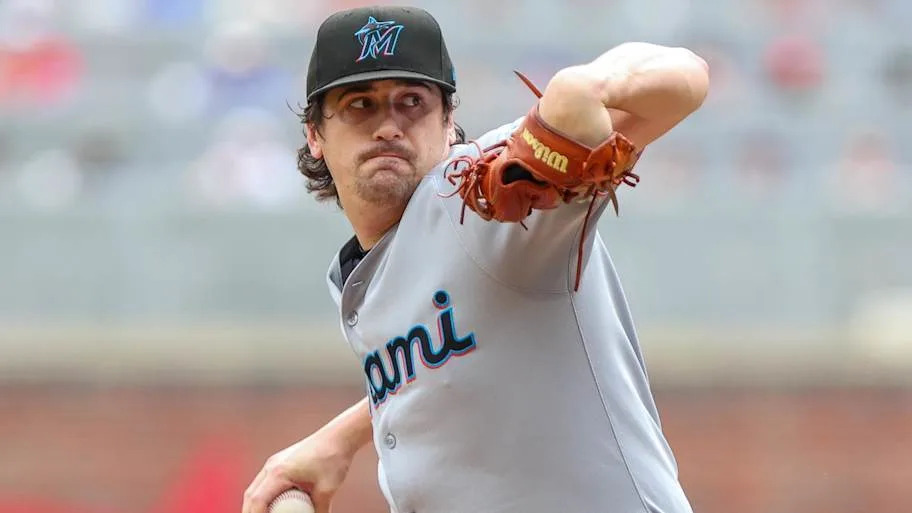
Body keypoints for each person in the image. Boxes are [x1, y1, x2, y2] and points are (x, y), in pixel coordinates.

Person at [242, 5, 709, 513]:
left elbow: (686, 77)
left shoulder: (482, 200)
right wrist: (340, 438)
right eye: (360, 105)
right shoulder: (362, 272)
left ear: (448, 125)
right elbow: (455, 359)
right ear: (315, 135)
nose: (388, 127)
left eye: (413, 102)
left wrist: (586, 87)